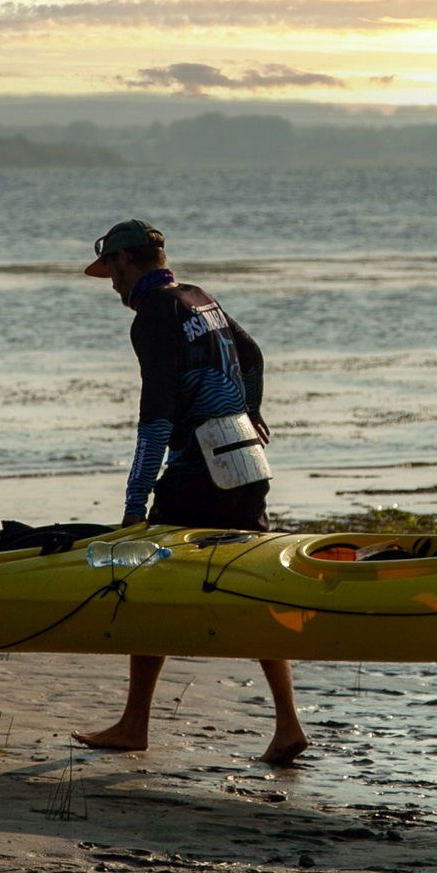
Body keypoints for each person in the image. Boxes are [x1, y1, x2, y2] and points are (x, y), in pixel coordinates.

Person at [72, 219, 307, 765]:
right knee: (256, 586)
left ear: (128, 263)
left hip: (197, 475)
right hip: (245, 464)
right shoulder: (202, 299)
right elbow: (253, 357)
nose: (110, 285)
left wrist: (133, 508)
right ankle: (288, 724)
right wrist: (249, 409)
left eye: (111, 272)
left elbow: (155, 420)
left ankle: (134, 725)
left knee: (140, 580)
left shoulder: (154, 315)